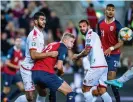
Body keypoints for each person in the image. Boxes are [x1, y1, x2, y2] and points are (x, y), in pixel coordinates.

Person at [16, 12, 58, 102]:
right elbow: (34, 55)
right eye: (42, 19)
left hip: (36, 67)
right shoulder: (34, 36)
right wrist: (50, 54)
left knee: (43, 92)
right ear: (35, 21)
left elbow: (40, 51)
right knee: (30, 97)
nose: (44, 22)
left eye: (45, 20)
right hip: (27, 68)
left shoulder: (41, 33)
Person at [72, 20, 112, 102]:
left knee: (85, 89)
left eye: (84, 26)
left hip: (96, 66)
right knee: (102, 91)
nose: (82, 28)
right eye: (80, 27)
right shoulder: (94, 35)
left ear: (89, 26)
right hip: (104, 66)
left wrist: (77, 56)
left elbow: (86, 51)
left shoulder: (89, 34)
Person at [32, 33, 76, 102]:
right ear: (65, 40)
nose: (73, 44)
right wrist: (61, 71)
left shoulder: (51, 44)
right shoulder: (63, 47)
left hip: (35, 73)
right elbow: (59, 66)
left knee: (43, 94)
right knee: (70, 92)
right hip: (45, 73)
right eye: (71, 41)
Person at [98, 4, 124, 102]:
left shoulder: (118, 25)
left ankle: (118, 100)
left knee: (111, 80)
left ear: (114, 12)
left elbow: (121, 42)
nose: (111, 12)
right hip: (102, 55)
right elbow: (99, 39)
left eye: (113, 10)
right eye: (109, 10)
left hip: (114, 55)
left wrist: (111, 48)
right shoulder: (100, 24)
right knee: (102, 83)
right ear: (105, 11)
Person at [1, 38, 24, 102]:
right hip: (8, 72)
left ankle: (7, 100)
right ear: (15, 42)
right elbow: (7, 62)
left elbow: (21, 61)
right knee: (6, 91)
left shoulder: (21, 51)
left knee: (22, 88)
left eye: (20, 41)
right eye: (17, 41)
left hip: (14, 73)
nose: (19, 42)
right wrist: (17, 67)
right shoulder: (11, 51)